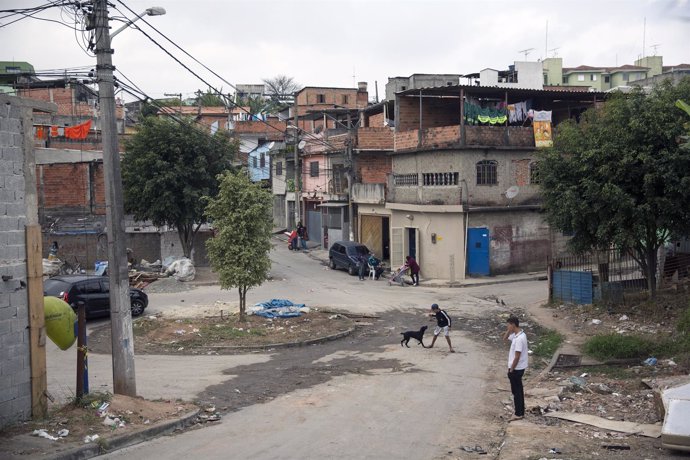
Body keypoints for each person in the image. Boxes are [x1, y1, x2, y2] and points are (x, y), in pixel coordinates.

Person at [503, 315, 528, 421]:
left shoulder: (519, 339)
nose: (507, 327)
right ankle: (520, 411)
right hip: (518, 368)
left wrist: (511, 369)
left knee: (517, 391)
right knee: (517, 390)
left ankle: (518, 413)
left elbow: (517, 357)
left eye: (508, 325)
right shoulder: (518, 335)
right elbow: (504, 338)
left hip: (516, 369)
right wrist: (509, 331)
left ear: (513, 324)